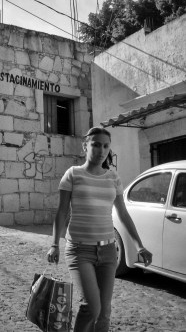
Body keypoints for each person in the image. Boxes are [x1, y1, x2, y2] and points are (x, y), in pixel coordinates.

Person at [46, 126, 153, 332]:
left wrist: (140, 246)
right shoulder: (73, 174)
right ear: (85, 146)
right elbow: (61, 212)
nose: (101, 150)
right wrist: (54, 244)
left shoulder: (113, 177)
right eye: (95, 144)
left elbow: (123, 214)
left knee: (104, 312)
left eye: (105, 146)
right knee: (91, 307)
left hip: (108, 251)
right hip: (79, 250)